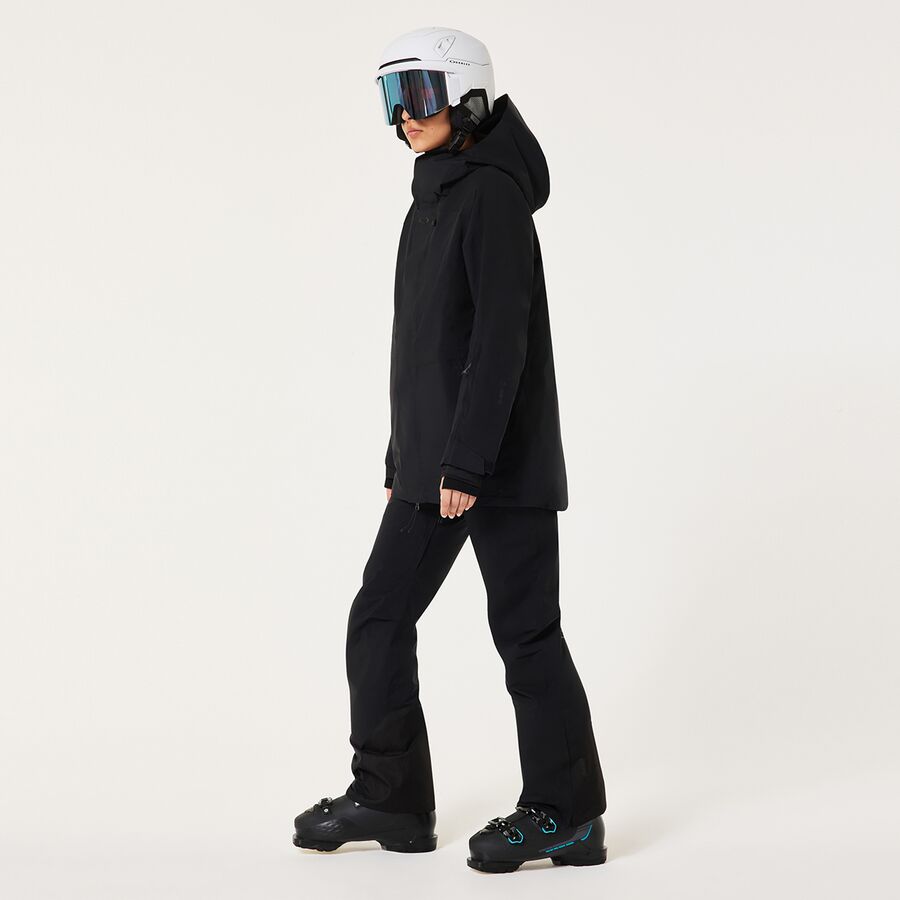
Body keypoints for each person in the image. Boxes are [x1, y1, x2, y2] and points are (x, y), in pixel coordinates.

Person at [293, 26, 608, 873]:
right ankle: (393, 796)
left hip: (495, 466)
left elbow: (502, 340)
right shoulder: (431, 195)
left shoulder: (492, 196)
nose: (404, 116)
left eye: (418, 96)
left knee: (526, 635)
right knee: (379, 618)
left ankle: (567, 814)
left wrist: (464, 462)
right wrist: (406, 456)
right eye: (392, 100)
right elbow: (426, 347)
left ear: (468, 97)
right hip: (437, 466)